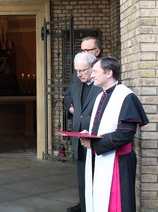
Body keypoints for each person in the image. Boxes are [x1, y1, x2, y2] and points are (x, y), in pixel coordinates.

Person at [80, 57, 149, 212]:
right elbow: (100, 126)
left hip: (119, 162)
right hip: (102, 156)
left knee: (116, 205)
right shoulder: (100, 96)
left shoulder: (126, 96)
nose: (91, 75)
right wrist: (89, 134)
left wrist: (93, 143)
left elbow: (125, 135)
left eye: (96, 71)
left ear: (109, 73)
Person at [64, 52, 102, 212]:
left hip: (97, 141)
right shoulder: (76, 81)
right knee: (82, 180)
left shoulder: (101, 84)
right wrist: (71, 108)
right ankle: (85, 207)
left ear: (92, 67)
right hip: (79, 138)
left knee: (97, 180)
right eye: (76, 70)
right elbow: (67, 96)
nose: (78, 74)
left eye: (82, 70)